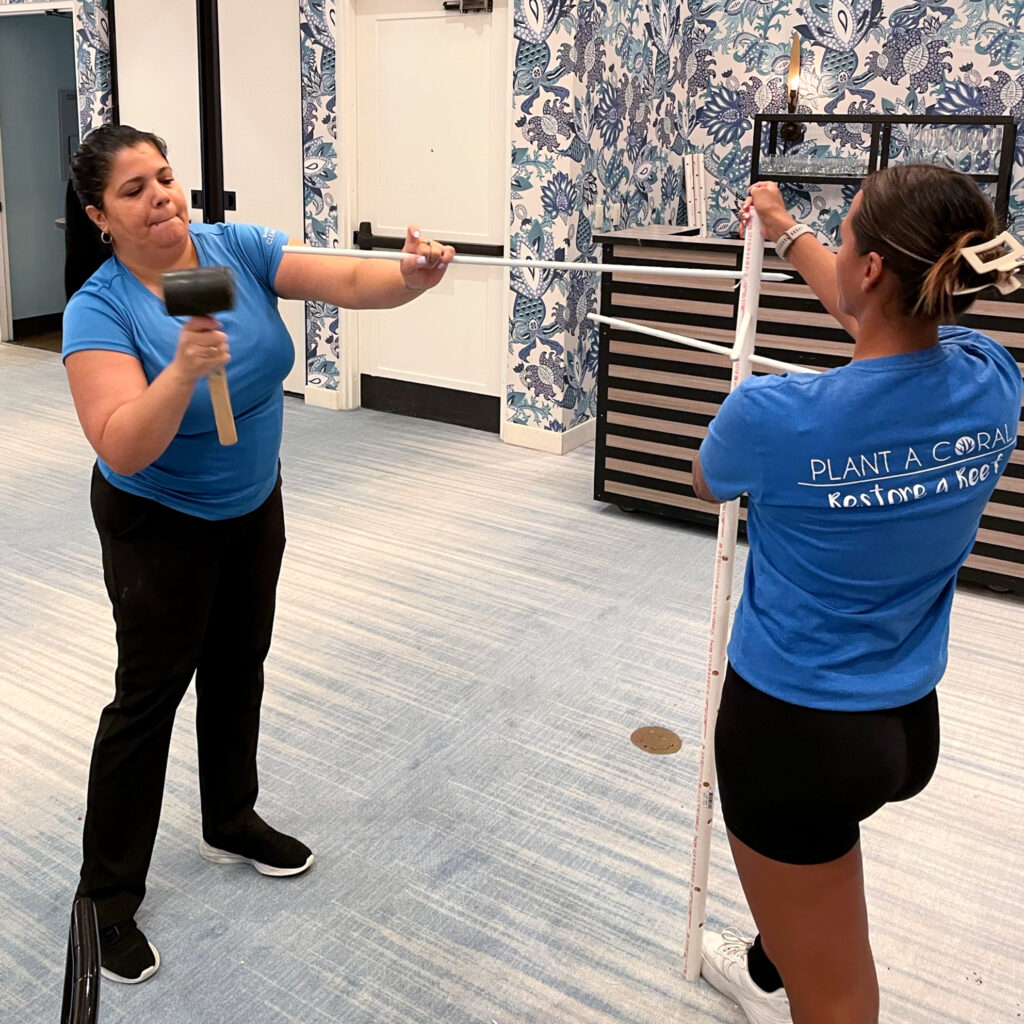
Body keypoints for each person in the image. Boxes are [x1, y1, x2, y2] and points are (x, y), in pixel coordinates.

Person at [62, 123, 454, 985]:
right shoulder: (99, 309)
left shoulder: (228, 251)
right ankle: (105, 896)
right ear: (100, 215)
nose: (161, 196)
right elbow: (122, 444)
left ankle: (229, 817)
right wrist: (177, 372)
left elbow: (349, 279)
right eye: (134, 190)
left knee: (240, 662)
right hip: (156, 521)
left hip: (251, 501)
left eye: (164, 178)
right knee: (149, 695)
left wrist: (411, 277)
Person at [692, 165, 1023, 1024]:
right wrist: (788, 226)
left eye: (842, 239)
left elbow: (709, 482)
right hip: (905, 722)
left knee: (839, 998)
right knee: (818, 879)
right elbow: (878, 327)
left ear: (871, 269)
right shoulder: (994, 379)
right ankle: (777, 952)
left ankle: (794, 957)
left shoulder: (771, 415)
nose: (835, 253)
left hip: (793, 734)